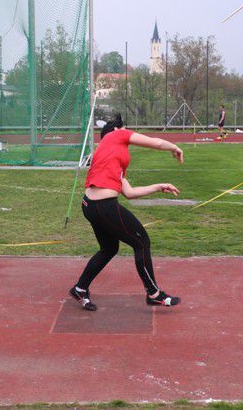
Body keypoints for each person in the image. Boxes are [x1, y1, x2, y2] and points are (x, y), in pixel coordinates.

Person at [69, 113, 184, 311]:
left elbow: (129, 193)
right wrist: (174, 147)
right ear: (115, 130)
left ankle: (80, 288)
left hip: (90, 205)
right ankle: (154, 294)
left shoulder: (110, 155)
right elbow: (155, 143)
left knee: (109, 248)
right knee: (141, 242)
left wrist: (158, 186)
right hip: (103, 206)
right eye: (123, 128)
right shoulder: (114, 136)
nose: (127, 132)